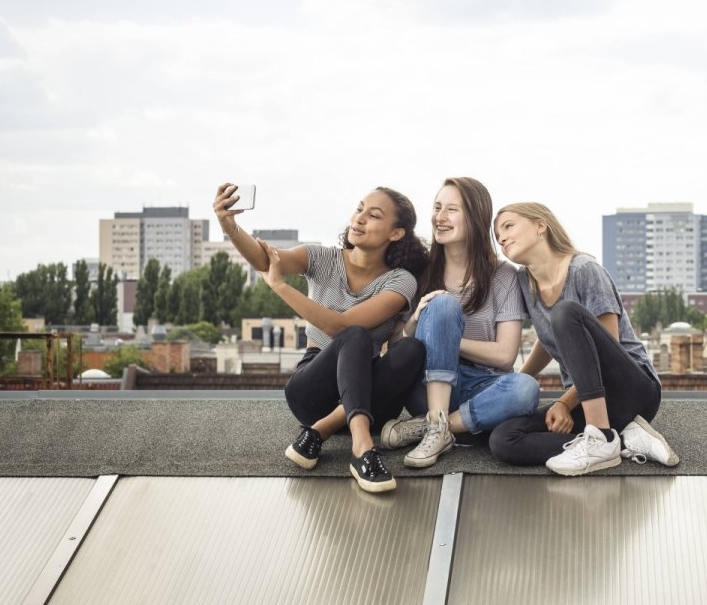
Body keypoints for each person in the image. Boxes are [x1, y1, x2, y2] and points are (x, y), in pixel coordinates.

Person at [212, 183, 428, 494]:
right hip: (312, 392)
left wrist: (282, 288)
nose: (360, 218)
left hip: (371, 402)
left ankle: (319, 433)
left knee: (411, 349)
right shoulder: (322, 258)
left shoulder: (400, 281)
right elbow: (266, 260)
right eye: (359, 209)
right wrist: (229, 225)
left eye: (374, 215)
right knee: (355, 336)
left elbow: (339, 326)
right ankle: (362, 450)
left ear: (396, 233)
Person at [488, 202, 679, 476]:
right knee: (503, 439)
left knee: (564, 313)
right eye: (497, 236)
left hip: (632, 388)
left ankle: (601, 436)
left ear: (541, 225)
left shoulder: (584, 270)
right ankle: (623, 439)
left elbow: (606, 348)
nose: (502, 238)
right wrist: (518, 379)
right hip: (589, 400)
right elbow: (549, 339)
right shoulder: (524, 281)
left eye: (508, 226)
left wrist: (564, 402)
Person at [380, 178, 539, 467]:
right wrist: (417, 321)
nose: (439, 217)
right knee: (441, 304)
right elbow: (396, 349)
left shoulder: (504, 276)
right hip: (426, 386)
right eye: (437, 207)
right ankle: (438, 421)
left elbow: (505, 357)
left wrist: (449, 339)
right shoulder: (420, 271)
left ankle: (436, 428)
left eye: (451, 209)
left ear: (475, 218)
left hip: (482, 386)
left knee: (526, 389)